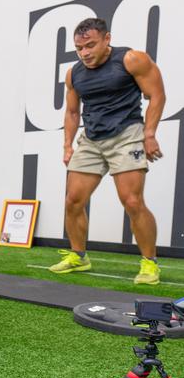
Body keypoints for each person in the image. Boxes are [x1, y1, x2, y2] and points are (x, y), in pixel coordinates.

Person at [49, 18, 166, 285]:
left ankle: (150, 263)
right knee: (73, 201)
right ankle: (79, 256)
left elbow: (157, 94)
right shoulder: (74, 73)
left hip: (127, 134)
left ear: (107, 39)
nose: (85, 53)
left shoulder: (131, 59)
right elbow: (71, 111)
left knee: (132, 201)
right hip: (91, 139)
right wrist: (67, 145)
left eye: (90, 45)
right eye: (79, 48)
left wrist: (149, 134)